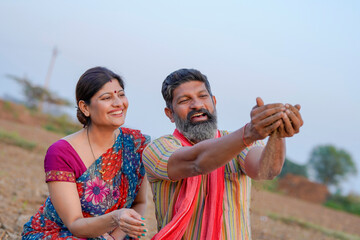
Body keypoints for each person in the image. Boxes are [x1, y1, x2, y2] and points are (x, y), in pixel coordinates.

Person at [143, 68, 303, 240]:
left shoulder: (241, 143)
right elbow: (197, 161)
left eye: (203, 96)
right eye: (184, 100)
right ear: (170, 114)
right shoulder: (158, 149)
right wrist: (249, 132)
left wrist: (278, 133)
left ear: (214, 102)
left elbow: (266, 170)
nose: (197, 105)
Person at [22, 67, 150, 240]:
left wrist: (115, 237)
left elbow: (139, 203)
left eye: (121, 94)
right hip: (64, 234)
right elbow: (75, 224)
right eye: (107, 98)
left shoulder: (136, 144)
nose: (119, 103)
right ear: (85, 107)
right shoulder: (61, 153)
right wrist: (115, 218)